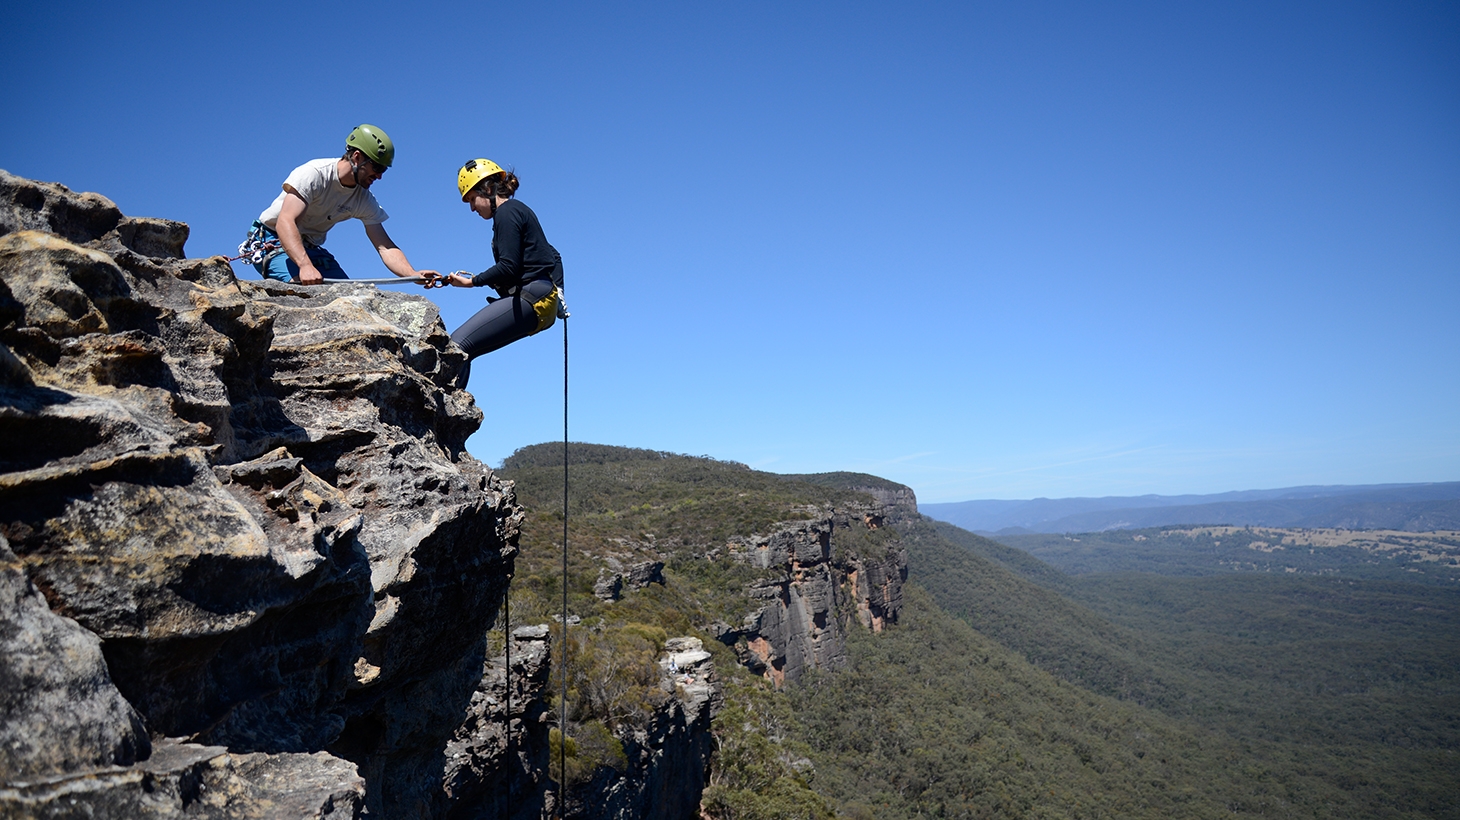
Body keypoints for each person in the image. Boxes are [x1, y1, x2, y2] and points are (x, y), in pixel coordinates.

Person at [425, 159, 565, 387]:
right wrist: (559, 292)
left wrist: (472, 282)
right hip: (540, 299)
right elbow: (554, 254)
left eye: (472, 199)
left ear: (488, 189)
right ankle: (452, 412)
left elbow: (508, 266)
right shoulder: (519, 210)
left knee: (457, 344)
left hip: (531, 297)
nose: (472, 208)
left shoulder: (506, 212)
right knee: (466, 350)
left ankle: (442, 414)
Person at [240, 124, 436, 285]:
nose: (379, 176)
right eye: (376, 167)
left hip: (311, 247)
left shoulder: (363, 198)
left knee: (353, 298)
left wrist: (412, 274)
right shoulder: (314, 174)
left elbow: (384, 247)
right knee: (306, 291)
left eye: (383, 170)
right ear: (357, 157)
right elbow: (285, 221)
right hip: (272, 240)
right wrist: (305, 265)